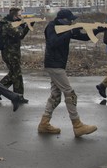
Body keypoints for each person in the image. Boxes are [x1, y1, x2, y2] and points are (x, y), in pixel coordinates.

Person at [37, 9, 100, 137]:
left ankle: (44, 123)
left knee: (55, 95)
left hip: (57, 65)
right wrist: (70, 31)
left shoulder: (64, 28)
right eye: (70, 20)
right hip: (54, 65)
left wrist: (98, 30)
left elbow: (83, 37)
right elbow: (53, 42)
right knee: (70, 94)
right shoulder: (51, 26)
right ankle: (77, 125)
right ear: (63, 20)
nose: (72, 22)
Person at [0, 7, 30, 104]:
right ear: (14, 15)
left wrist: (27, 26)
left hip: (14, 52)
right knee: (16, 75)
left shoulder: (12, 23)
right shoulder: (7, 25)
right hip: (9, 53)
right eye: (19, 15)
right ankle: (16, 96)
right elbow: (19, 34)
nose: (21, 17)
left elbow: (21, 36)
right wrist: (24, 25)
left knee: (14, 74)